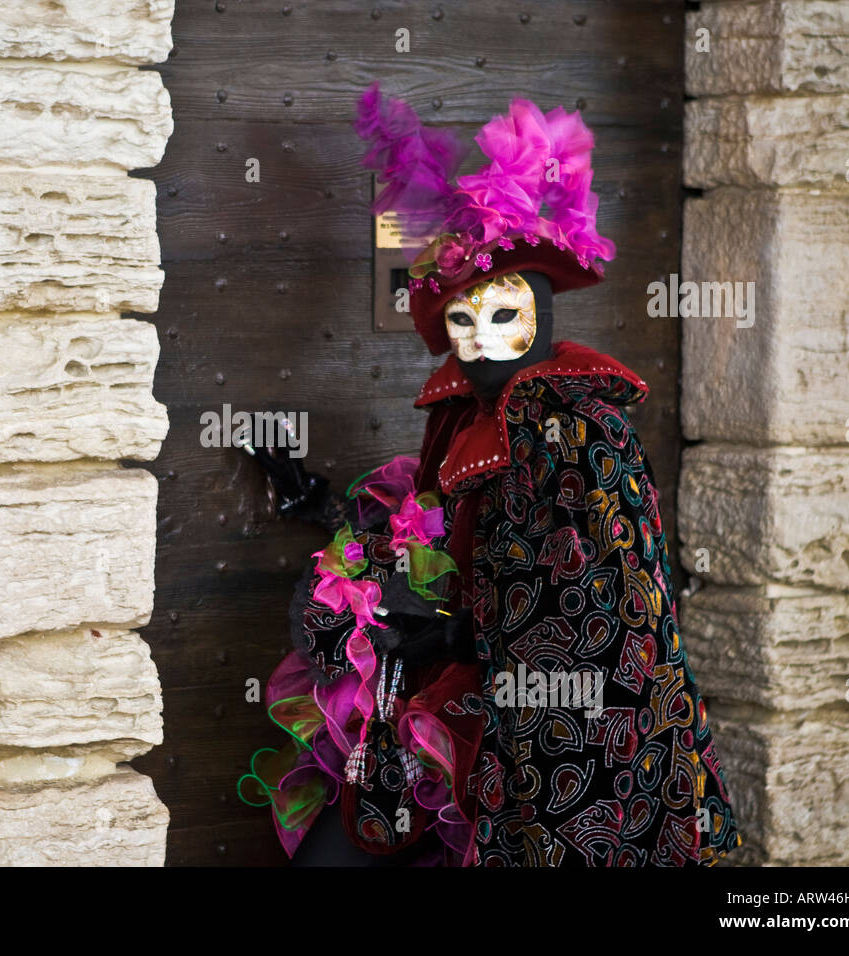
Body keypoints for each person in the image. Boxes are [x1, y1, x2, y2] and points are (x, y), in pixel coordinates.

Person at [237, 85, 742, 866]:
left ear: (543, 313)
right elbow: (439, 528)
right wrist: (332, 514)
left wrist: (447, 632)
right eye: (463, 321)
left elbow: (592, 604)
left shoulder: (576, 427)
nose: (481, 341)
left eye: (505, 316)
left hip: (537, 734)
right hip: (443, 704)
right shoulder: (464, 416)